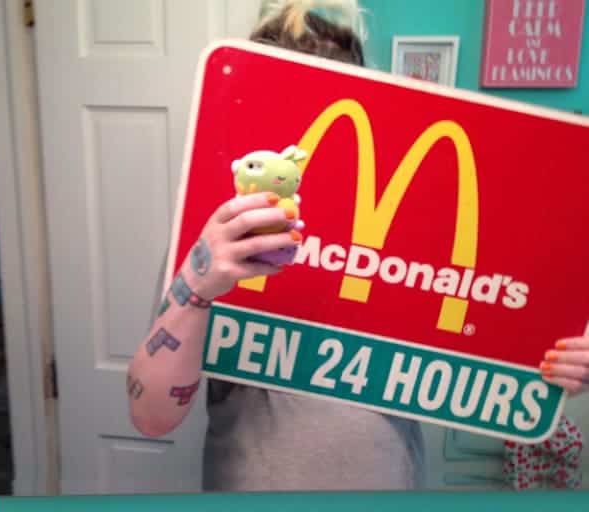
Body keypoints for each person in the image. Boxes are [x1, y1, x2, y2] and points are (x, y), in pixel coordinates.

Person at [127, 0, 589, 492]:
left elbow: (495, 337)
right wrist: (196, 288)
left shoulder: (414, 231)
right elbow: (151, 416)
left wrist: (558, 363)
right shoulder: (211, 244)